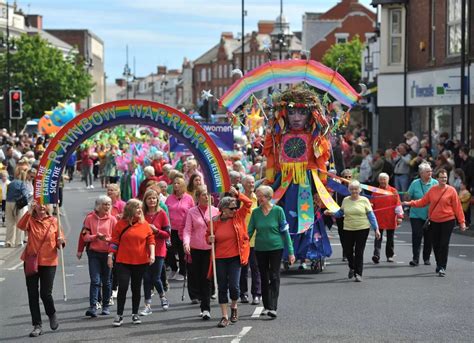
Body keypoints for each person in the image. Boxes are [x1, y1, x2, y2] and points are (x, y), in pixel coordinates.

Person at [403, 169, 466, 277]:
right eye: (441, 177)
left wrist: (462, 222)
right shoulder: (432, 190)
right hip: (434, 221)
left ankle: (442, 267)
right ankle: (438, 263)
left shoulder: (451, 190)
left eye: (445, 177)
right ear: (437, 179)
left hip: (448, 220)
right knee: (436, 244)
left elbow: (457, 207)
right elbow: (422, 202)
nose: (444, 179)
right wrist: (409, 203)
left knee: (443, 244)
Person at [17, 202, 65, 337]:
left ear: (48, 207)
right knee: (32, 294)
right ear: (34, 207)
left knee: (45, 293)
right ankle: (37, 325)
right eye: (39, 205)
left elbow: (60, 239)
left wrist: (61, 241)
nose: (42, 207)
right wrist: (28, 211)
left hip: (49, 261)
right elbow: (20, 226)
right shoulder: (30, 220)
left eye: (44, 205)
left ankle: (51, 314)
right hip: (31, 261)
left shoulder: (54, 221)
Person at [247, 185, 295, 318]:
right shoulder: (256, 212)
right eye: (257, 195)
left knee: (274, 276)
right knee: (264, 277)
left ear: (268, 197)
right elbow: (249, 231)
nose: (258, 198)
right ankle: (266, 306)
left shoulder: (278, 211)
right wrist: (242, 243)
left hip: (276, 248)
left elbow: (285, 232)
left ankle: (273, 307)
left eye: (260, 195)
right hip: (260, 249)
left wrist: (291, 252)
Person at [207, 187, 251, 328]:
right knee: (222, 286)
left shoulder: (239, 216)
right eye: (231, 208)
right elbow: (207, 236)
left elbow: (248, 203)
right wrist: (209, 238)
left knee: (234, 286)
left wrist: (237, 194)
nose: (234, 210)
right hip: (219, 258)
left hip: (235, 257)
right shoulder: (214, 221)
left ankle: (234, 306)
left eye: (235, 208)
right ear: (223, 209)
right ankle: (224, 316)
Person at [107, 199, 155, 327]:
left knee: (136, 288)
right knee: (122, 287)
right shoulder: (120, 224)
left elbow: (151, 240)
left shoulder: (145, 224)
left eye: (140, 207)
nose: (140, 210)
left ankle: (135, 313)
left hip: (140, 261)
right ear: (130, 210)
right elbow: (114, 241)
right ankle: (119, 315)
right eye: (137, 207)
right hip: (123, 261)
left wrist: (152, 254)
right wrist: (110, 256)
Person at [325, 181, 381, 282]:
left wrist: (376, 228)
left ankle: (358, 273)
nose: (354, 191)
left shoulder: (365, 200)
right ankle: (352, 267)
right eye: (352, 189)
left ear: (359, 190)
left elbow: (371, 216)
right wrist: (331, 213)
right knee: (348, 251)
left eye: (356, 189)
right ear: (349, 190)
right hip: (348, 228)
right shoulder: (346, 200)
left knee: (359, 252)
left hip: (362, 228)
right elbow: (341, 213)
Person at [183, 185, 219, 320]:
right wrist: (186, 243)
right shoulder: (191, 212)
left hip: (211, 249)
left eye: (209, 195)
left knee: (206, 278)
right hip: (196, 248)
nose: (207, 197)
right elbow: (187, 230)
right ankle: (203, 301)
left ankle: (205, 308)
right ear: (198, 197)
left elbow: (219, 228)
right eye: (204, 194)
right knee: (198, 278)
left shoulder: (215, 211)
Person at [82, 195, 117, 317]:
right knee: (95, 280)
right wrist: (95, 236)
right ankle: (93, 306)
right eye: (104, 204)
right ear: (98, 206)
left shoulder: (113, 220)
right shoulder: (89, 218)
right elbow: (85, 236)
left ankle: (106, 306)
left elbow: (116, 239)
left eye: (109, 204)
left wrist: (107, 239)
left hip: (107, 253)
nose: (107, 207)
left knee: (106, 281)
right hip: (94, 253)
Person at [140, 189, 171, 316]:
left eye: (154, 198)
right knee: (146, 278)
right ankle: (147, 305)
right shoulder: (141, 214)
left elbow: (167, 233)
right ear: (145, 201)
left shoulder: (162, 213)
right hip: (143, 250)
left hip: (158, 250)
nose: (152, 200)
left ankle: (163, 297)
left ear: (157, 200)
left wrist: (156, 231)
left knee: (155, 277)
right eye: (149, 198)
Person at [405, 163, 438, 266]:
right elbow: (408, 196)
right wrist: (407, 196)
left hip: (430, 215)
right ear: (421, 173)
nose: (430, 173)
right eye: (428, 171)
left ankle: (426, 258)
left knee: (429, 238)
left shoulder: (435, 183)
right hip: (416, 214)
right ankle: (415, 259)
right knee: (417, 235)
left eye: (431, 171)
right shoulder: (415, 183)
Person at [165, 176, 194, 281]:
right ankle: (173, 268)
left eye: (178, 183)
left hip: (184, 228)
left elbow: (192, 212)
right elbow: (165, 212)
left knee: (182, 251)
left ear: (182, 185)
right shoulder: (170, 198)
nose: (175, 185)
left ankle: (183, 271)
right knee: (170, 250)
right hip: (171, 228)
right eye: (174, 183)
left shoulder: (189, 198)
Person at [371, 173, 403, 263]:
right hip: (378, 218)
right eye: (381, 179)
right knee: (378, 237)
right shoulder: (375, 191)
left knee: (390, 238)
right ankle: (376, 255)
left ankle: (390, 255)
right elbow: (371, 204)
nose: (382, 181)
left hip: (391, 217)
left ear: (388, 180)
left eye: (384, 179)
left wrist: (400, 216)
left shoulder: (393, 191)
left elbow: (398, 204)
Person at [239, 175, 261, 305]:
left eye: (253, 182)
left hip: (256, 238)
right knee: (242, 268)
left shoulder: (258, 197)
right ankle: (243, 293)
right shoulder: (238, 198)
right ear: (243, 184)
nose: (251, 184)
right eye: (248, 183)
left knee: (255, 268)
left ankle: (256, 294)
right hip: (241, 239)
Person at [5, 168, 29, 247]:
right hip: (17, 204)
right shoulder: (22, 183)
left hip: (8, 202)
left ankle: (9, 241)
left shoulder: (11, 183)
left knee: (10, 223)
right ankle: (18, 241)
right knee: (20, 223)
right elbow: (25, 195)